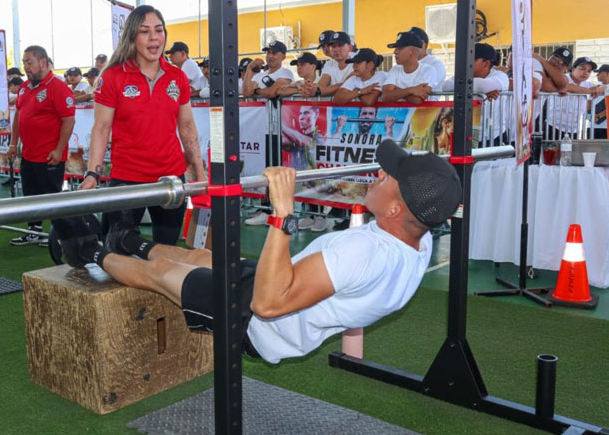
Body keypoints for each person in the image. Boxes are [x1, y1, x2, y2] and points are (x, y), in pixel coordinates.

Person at [53, 139, 462, 365]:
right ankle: (129, 242)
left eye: (388, 178)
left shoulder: (361, 251)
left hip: (258, 323)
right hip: (286, 286)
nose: (379, 174)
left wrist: (282, 212)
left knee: (159, 273)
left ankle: (89, 252)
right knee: (200, 258)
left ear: (395, 210)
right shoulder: (419, 241)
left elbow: (266, 304)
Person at [82, 4, 206, 247]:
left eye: (159, 30)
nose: (154, 38)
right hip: (127, 178)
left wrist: (200, 174)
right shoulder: (113, 76)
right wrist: (92, 174)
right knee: (116, 252)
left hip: (170, 179)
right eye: (145, 31)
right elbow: (101, 128)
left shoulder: (177, 77)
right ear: (132, 37)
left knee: (167, 252)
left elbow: (187, 127)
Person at [7, 45, 76, 246]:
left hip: (49, 156)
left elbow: (68, 121)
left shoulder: (58, 87)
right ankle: (34, 231)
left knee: (52, 196)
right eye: (24, 63)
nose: (26, 67)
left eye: (29, 62)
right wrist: (13, 143)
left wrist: (59, 149)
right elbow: (19, 115)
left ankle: (60, 235)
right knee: (30, 195)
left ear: (43, 62)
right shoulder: (24, 87)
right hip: (28, 154)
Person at [381, 31, 438, 103]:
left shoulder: (428, 70)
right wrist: (411, 90)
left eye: (400, 48)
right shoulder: (395, 69)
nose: (395, 52)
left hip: (418, 111)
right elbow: (385, 97)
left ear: (412, 51)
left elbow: (417, 100)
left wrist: (396, 90)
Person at [302, 31, 354, 98]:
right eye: (333, 46)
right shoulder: (329, 64)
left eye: (340, 45)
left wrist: (319, 91)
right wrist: (310, 88)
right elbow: (322, 84)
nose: (336, 49)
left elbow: (347, 84)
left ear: (350, 48)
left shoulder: (358, 61)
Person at [591, 64, 609, 139]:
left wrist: (599, 116)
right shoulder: (595, 87)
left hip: (607, 126)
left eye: (600, 73)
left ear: (607, 74)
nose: (597, 75)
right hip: (591, 126)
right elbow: (589, 102)